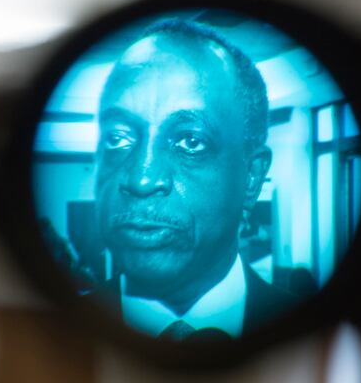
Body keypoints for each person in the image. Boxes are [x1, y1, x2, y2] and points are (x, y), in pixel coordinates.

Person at [88, 18, 295, 341]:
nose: (142, 179)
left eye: (190, 142)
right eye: (117, 138)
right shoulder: (39, 339)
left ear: (252, 178)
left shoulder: (322, 337)